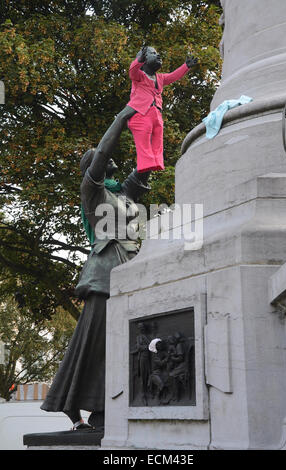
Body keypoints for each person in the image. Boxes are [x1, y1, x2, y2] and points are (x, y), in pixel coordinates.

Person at [40, 131, 151, 432]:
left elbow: (145, 165)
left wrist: (150, 123)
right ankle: (71, 407)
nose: (108, 158)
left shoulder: (122, 195)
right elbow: (102, 153)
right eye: (101, 158)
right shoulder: (93, 191)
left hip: (131, 269)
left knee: (132, 342)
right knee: (91, 342)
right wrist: (126, 115)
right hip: (104, 275)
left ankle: (109, 406)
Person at [127, 46, 198, 172]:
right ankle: (145, 164)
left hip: (156, 114)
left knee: (158, 140)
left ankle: (157, 162)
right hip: (141, 114)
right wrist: (139, 60)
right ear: (143, 59)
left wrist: (185, 66)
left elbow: (173, 76)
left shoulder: (160, 78)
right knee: (143, 142)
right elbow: (132, 71)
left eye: (157, 53)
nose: (158, 55)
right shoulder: (139, 76)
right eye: (153, 53)